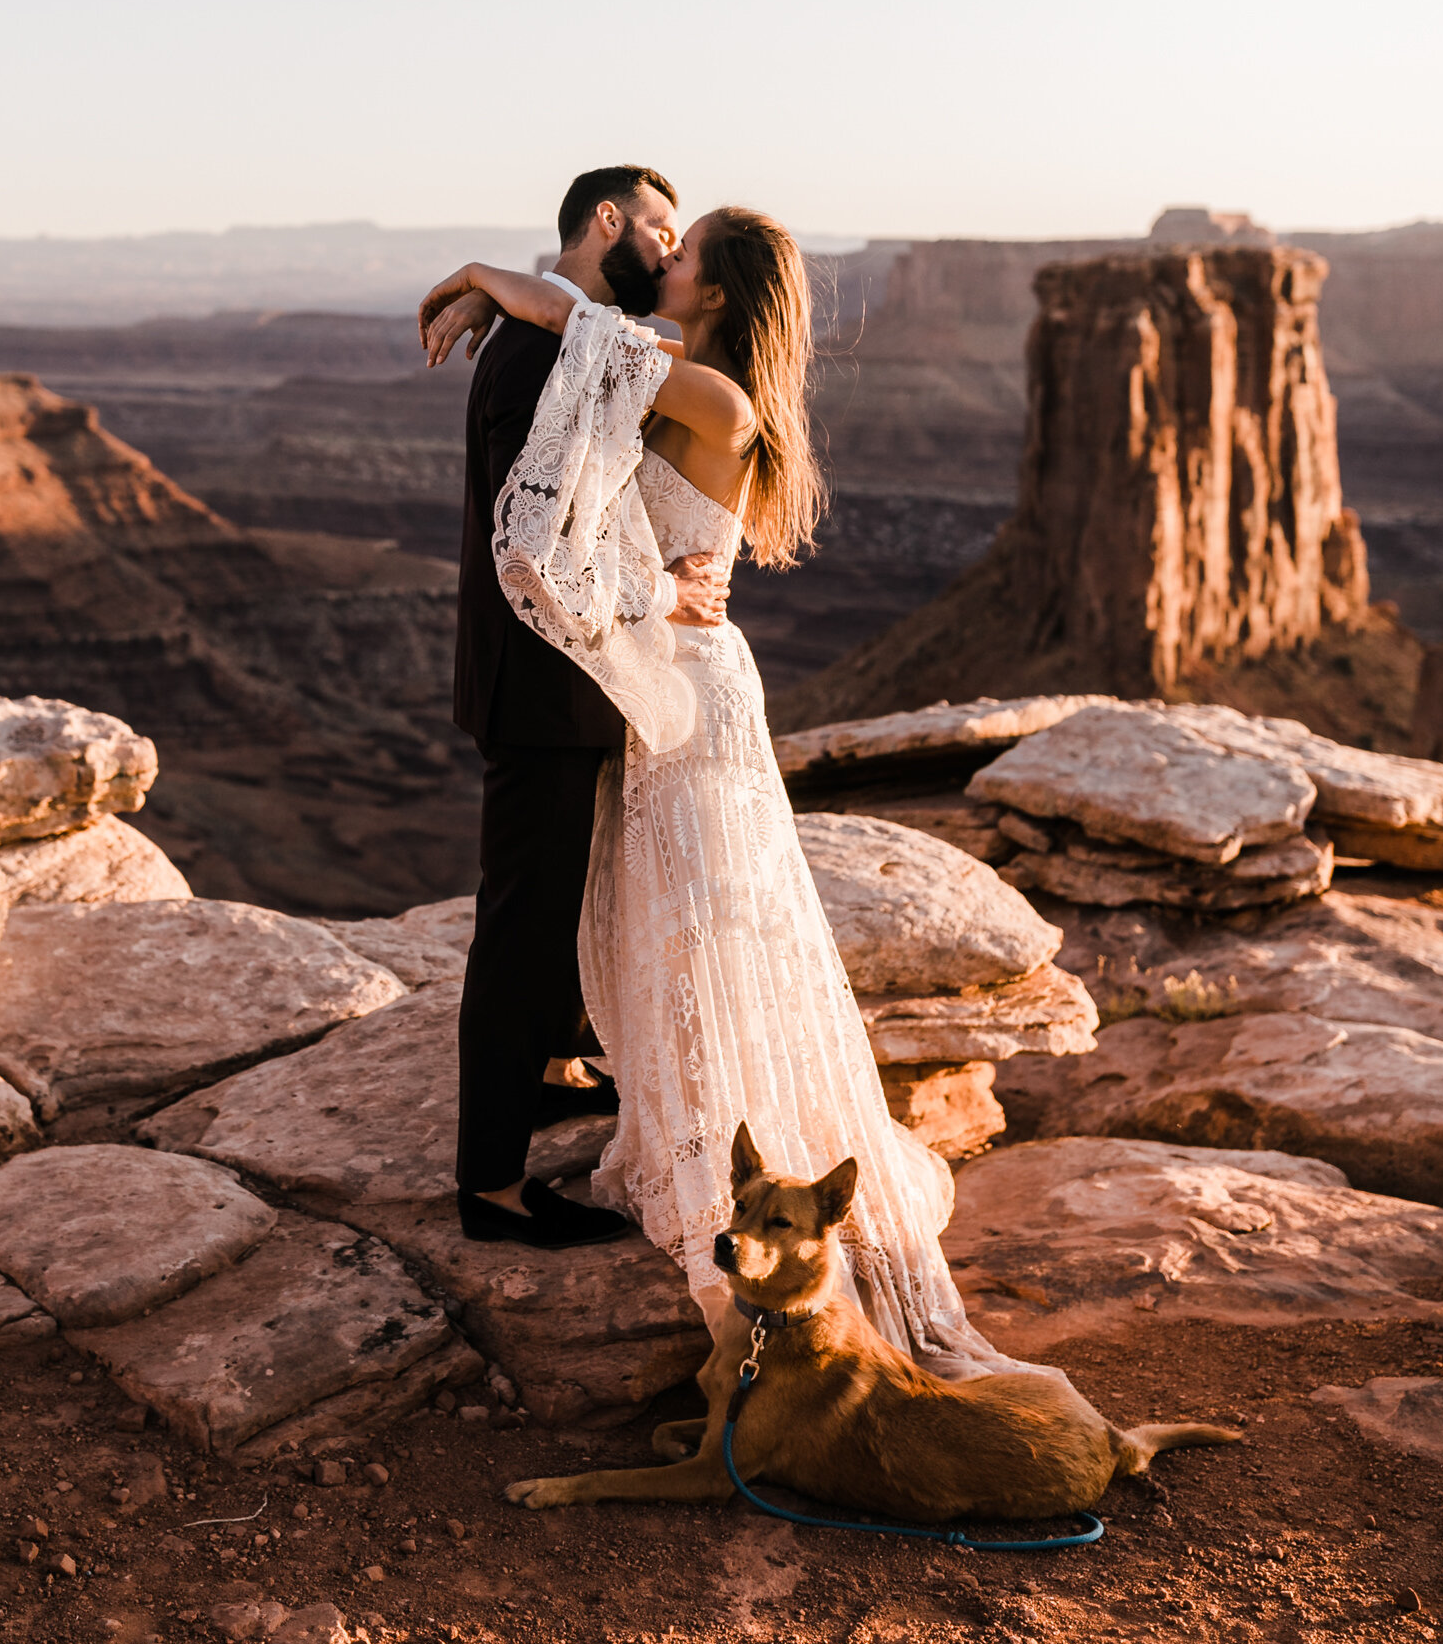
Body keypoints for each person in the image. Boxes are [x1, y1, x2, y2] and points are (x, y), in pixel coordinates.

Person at [421, 203, 1007, 1373]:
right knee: (659, 914)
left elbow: (581, 329)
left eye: (681, 255)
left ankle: (708, 1147)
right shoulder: (690, 377)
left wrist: (488, 274)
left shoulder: (713, 398)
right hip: (656, 670)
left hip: (683, 690)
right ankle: (666, 1112)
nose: (663, 261)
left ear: (720, 294)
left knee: (698, 924)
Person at [441, 164, 731, 1249]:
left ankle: (557, 1061)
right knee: (518, 924)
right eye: (656, 227)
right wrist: (666, 592)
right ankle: (490, 1186)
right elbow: (536, 553)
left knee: (564, 896)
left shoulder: (572, 336)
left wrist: (492, 279)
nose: (663, 250)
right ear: (604, 222)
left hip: (573, 681)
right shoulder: (536, 352)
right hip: (538, 688)